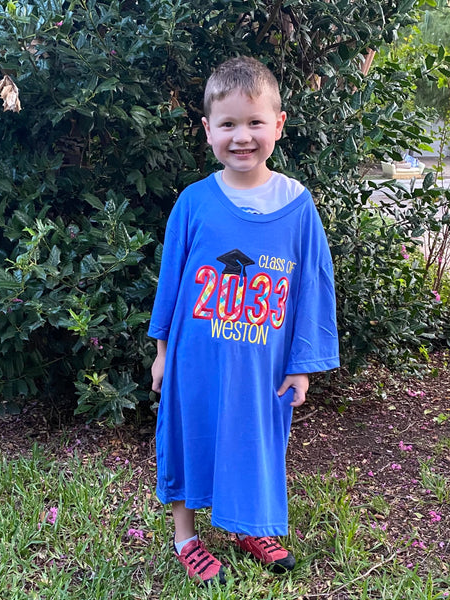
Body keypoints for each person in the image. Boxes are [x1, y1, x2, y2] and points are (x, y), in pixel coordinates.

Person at [148, 56, 340, 585]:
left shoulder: (297, 205)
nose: (242, 137)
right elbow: (170, 283)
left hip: (263, 363)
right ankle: (186, 535)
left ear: (278, 124)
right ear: (208, 129)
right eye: (228, 124)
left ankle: (247, 524)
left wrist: (302, 366)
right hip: (197, 359)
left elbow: (312, 290)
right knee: (190, 439)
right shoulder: (194, 203)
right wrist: (162, 354)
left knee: (255, 445)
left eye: (255, 122)